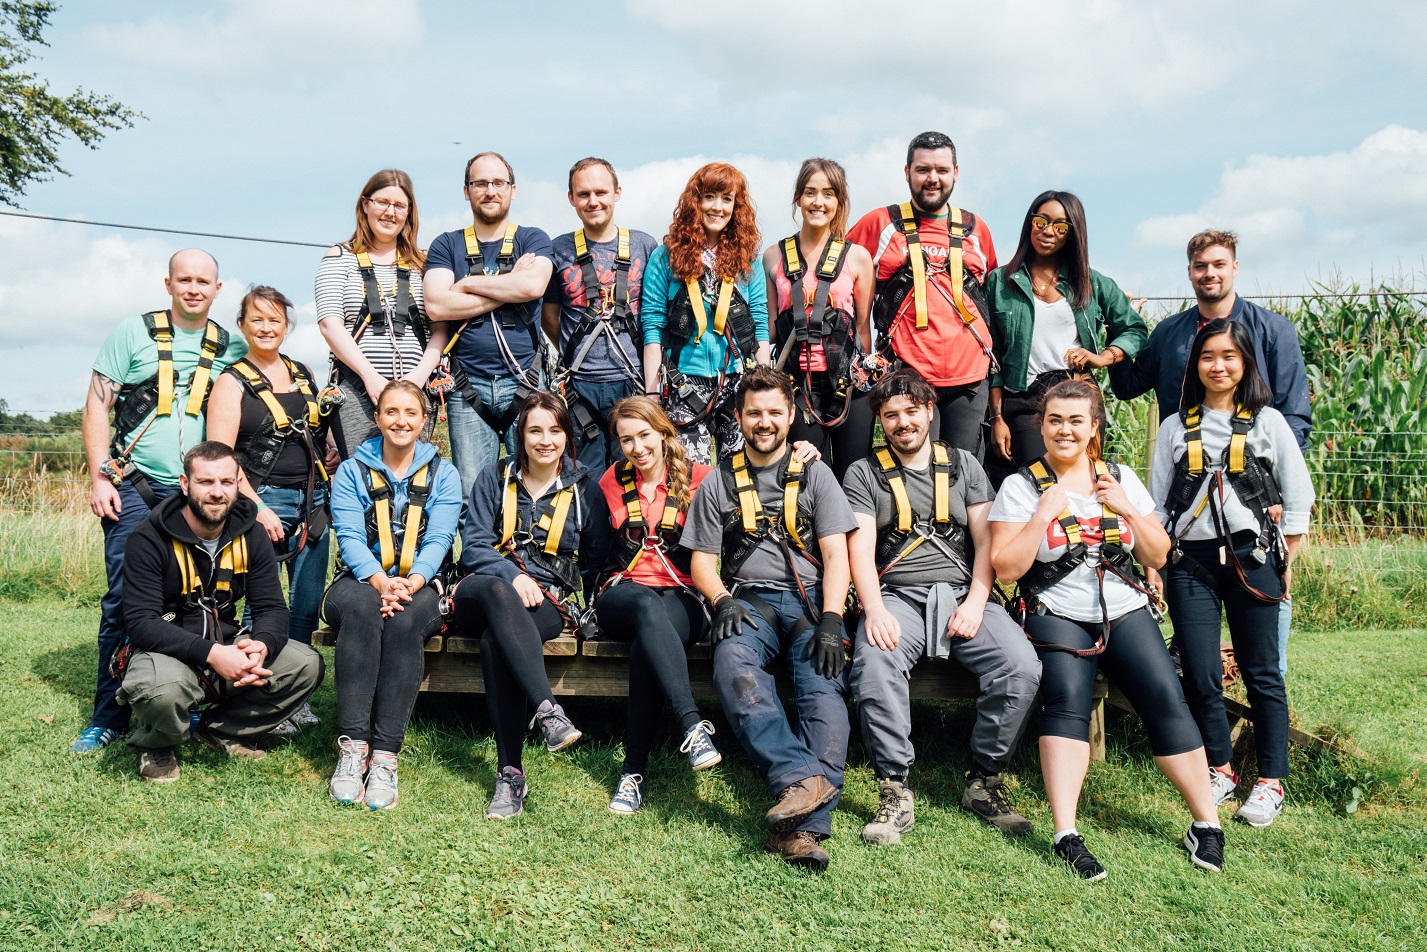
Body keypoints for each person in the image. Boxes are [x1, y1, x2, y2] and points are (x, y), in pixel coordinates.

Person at [989, 379, 1225, 879]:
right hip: (1057, 610)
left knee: (1166, 698)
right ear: (1042, 425)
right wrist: (1041, 516)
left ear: (1094, 427)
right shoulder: (1022, 485)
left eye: (1076, 421)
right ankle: (1066, 833)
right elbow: (1006, 567)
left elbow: (1158, 555)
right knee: (1067, 703)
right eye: (1055, 420)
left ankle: (1206, 824)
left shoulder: (1117, 479)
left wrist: (1129, 509)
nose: (1065, 430)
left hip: (1123, 607)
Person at [845, 368, 1041, 846]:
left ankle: (984, 779)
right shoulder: (863, 473)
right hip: (898, 597)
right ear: (881, 422)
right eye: (890, 415)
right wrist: (873, 609)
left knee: (1021, 667)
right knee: (874, 662)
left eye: (911, 411)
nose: (902, 423)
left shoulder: (964, 466)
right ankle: (895, 788)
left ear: (930, 412)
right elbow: (860, 552)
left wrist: (977, 602)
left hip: (962, 591)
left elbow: (986, 544)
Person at [1110, 229, 1310, 678]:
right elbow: (1125, 386)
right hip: (1188, 498)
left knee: (1264, 598)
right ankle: (1201, 697)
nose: (1210, 274)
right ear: (1189, 273)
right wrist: (1124, 322)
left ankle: (1266, 687)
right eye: (1201, 266)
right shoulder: (1169, 333)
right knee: (1194, 617)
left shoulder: (1272, 330)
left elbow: (1293, 416)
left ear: (1234, 267)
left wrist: (1276, 488)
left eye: (1219, 265)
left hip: (1253, 496)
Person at [682, 366, 857, 871]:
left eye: (774, 412)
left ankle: (802, 831)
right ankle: (799, 779)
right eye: (754, 412)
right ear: (739, 417)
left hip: (808, 605)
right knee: (734, 669)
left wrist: (831, 617)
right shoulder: (719, 480)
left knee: (823, 692)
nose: (764, 421)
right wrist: (721, 600)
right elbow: (701, 561)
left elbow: (836, 554)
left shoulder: (817, 474)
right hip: (749, 601)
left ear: (792, 415)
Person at [75, 249, 248, 753]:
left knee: (197, 597)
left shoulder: (231, 345)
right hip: (132, 484)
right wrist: (98, 477)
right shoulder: (133, 333)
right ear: (167, 283)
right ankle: (108, 712)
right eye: (184, 279)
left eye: (204, 281)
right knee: (124, 598)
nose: (194, 288)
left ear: (218, 289)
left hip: (195, 493)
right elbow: (97, 404)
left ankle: (183, 701)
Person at [1151, 319, 1313, 828]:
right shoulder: (1175, 427)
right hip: (1190, 563)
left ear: (1244, 364)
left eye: (1229, 357)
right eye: (1207, 357)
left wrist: (1286, 557)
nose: (1217, 366)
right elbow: (1157, 505)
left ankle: (1270, 781)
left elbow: (1299, 497)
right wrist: (1155, 565)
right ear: (1194, 365)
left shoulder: (1268, 422)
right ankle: (1219, 769)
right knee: (1199, 672)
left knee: (1263, 672)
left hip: (1253, 559)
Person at [114, 442, 324, 782]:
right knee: (162, 688)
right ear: (185, 484)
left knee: (305, 664)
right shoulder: (148, 537)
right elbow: (141, 623)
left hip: (227, 642)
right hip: (167, 649)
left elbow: (271, 607)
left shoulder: (252, 533)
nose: (217, 493)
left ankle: (222, 730)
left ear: (238, 483)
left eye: (227, 482)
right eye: (206, 482)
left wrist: (263, 645)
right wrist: (212, 654)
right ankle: (157, 744)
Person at [455, 391, 609, 820]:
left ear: (567, 435)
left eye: (555, 431)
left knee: (494, 643)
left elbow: (595, 562)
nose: (545, 440)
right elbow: (475, 546)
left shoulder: (584, 489)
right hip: (480, 591)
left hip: (544, 601)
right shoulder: (494, 477)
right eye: (535, 430)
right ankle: (547, 709)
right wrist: (513, 575)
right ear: (520, 435)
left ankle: (510, 775)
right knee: (498, 597)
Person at [323, 381, 461, 809]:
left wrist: (411, 582)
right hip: (360, 580)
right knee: (364, 610)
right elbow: (348, 534)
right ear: (378, 418)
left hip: (420, 584)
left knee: (403, 623)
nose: (401, 421)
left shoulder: (444, 472)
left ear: (424, 420)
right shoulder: (351, 471)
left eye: (411, 413)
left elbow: (439, 537)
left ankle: (384, 756)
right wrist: (380, 582)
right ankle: (352, 749)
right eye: (391, 412)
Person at [207, 285, 337, 734]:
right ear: (242, 325)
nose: (266, 327)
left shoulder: (302, 373)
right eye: (257, 319)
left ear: (287, 326)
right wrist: (256, 507)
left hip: (313, 499)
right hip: (261, 501)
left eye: (275, 320)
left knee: (303, 604)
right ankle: (255, 692)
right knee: (261, 605)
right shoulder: (231, 382)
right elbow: (220, 458)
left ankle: (293, 695)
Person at [593, 396, 722, 815]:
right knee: (646, 607)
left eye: (645, 435)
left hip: (682, 597)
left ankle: (632, 774)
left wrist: (804, 450)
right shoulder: (611, 482)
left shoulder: (703, 480)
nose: (637, 447)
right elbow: (596, 553)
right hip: (623, 593)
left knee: (647, 645)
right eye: (626, 440)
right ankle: (691, 724)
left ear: (665, 434)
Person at [846, 131, 998, 460]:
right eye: (923, 170)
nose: (933, 179)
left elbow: (994, 295)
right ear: (907, 172)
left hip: (970, 377)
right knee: (913, 472)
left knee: (962, 474)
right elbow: (837, 277)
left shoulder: (976, 229)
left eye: (942, 170)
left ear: (955, 173)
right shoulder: (880, 224)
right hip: (907, 372)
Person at [983, 191, 1148, 482]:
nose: (1048, 232)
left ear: (1072, 234)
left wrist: (1101, 358)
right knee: (1038, 484)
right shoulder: (1000, 282)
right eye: (1041, 222)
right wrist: (997, 418)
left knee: (1079, 482)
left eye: (1060, 227)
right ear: (1029, 223)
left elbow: (1133, 329)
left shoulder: (1092, 282)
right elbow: (991, 357)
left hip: (1077, 396)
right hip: (1024, 398)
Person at [425, 152, 555, 496]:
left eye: (498, 183)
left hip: (525, 380)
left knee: (532, 488)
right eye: (480, 183)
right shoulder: (445, 244)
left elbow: (532, 286)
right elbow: (437, 304)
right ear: (466, 191)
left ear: (513, 190)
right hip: (468, 387)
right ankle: (478, 552)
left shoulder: (533, 238)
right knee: (472, 495)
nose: (490, 190)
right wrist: (509, 285)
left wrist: (465, 284)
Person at [642, 162, 771, 465]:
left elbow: (760, 323)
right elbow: (652, 325)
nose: (718, 207)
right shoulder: (666, 257)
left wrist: (765, 384)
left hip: (738, 381)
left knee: (742, 474)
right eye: (710, 197)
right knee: (690, 477)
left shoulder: (746, 259)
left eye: (727, 199)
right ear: (695, 202)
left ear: (736, 208)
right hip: (684, 381)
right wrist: (652, 394)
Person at [316, 170, 447, 457]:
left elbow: (440, 327)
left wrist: (419, 376)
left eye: (399, 206)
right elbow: (329, 324)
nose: (390, 212)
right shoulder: (339, 258)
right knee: (364, 474)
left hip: (414, 389)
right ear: (365, 205)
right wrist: (370, 376)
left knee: (413, 477)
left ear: (409, 212)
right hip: (357, 389)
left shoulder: (424, 264)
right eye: (382, 202)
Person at [543, 158, 660, 475]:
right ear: (571, 199)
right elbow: (550, 316)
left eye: (600, 192)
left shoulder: (644, 245)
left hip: (633, 379)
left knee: (635, 470)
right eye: (583, 194)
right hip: (582, 384)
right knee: (587, 475)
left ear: (617, 193)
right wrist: (576, 350)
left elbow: (656, 313)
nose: (593, 201)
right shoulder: (558, 249)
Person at [763, 157, 877, 480]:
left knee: (853, 474)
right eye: (810, 192)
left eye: (828, 194)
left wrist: (866, 375)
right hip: (796, 385)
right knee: (805, 476)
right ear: (798, 198)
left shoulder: (857, 257)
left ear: (839, 202)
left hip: (847, 387)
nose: (818, 202)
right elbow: (772, 329)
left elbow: (861, 327)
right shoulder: (774, 256)